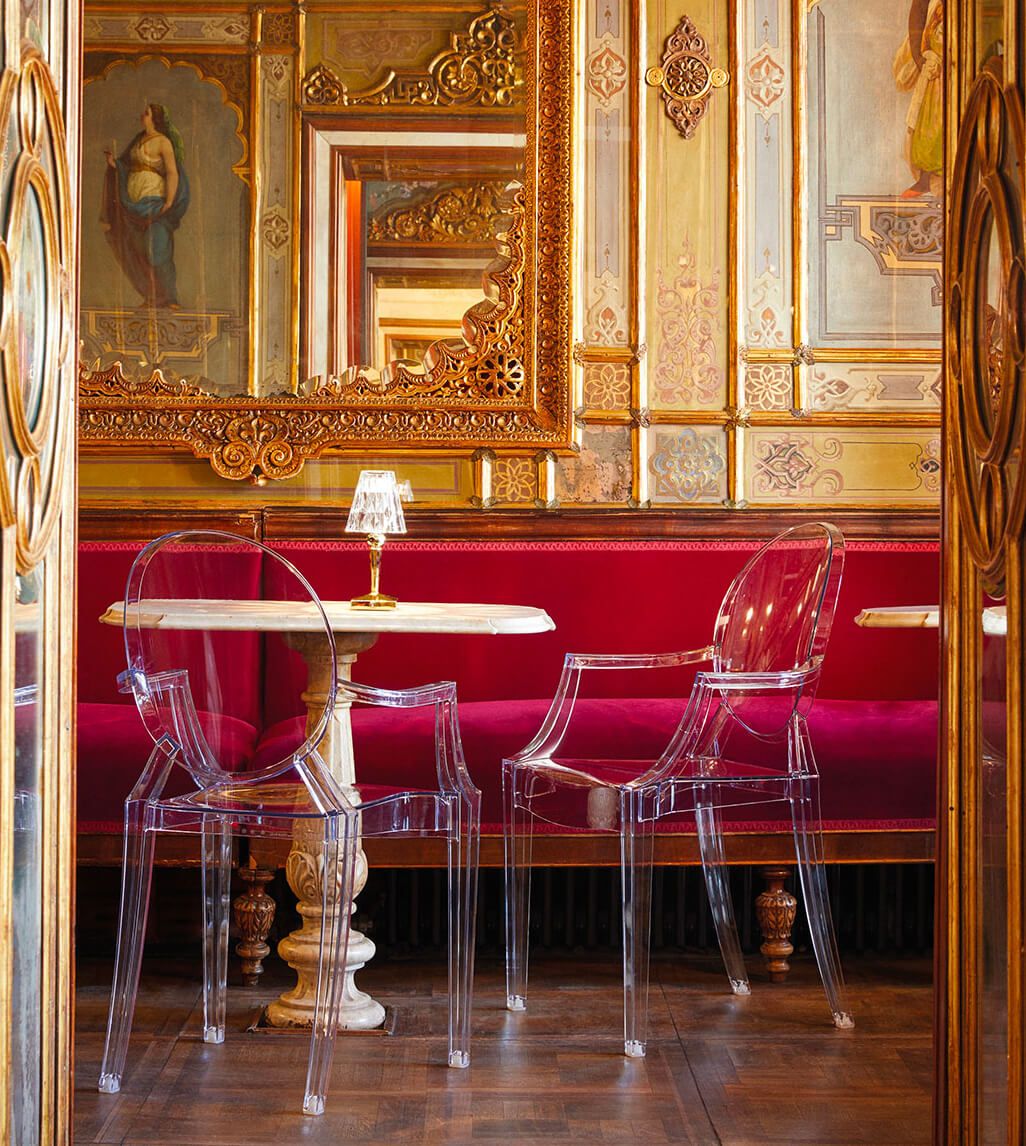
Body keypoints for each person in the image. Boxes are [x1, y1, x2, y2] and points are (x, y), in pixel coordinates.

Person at [101, 102, 190, 308]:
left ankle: (169, 297)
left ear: (155, 118)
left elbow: (172, 172)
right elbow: (127, 166)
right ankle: (153, 296)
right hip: (132, 203)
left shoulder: (163, 142)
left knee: (157, 249)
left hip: (154, 202)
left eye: (147, 113)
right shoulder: (139, 139)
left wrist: (169, 200)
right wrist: (115, 164)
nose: (143, 115)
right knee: (138, 249)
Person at [892, 0, 944, 199]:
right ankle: (927, 178)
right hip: (936, 69)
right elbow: (919, 15)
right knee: (929, 123)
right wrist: (921, 59)